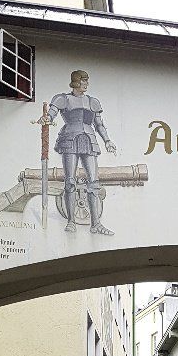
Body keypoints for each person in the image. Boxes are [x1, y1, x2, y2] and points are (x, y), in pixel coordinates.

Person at [46, 70, 117, 235]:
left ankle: (96, 224)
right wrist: (47, 119)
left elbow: (99, 124)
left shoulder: (93, 101)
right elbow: (51, 114)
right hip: (69, 139)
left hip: (89, 140)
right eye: (83, 81)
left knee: (93, 183)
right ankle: (71, 222)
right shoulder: (63, 99)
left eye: (87, 81)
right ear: (75, 82)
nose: (86, 84)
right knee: (70, 182)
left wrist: (107, 140)